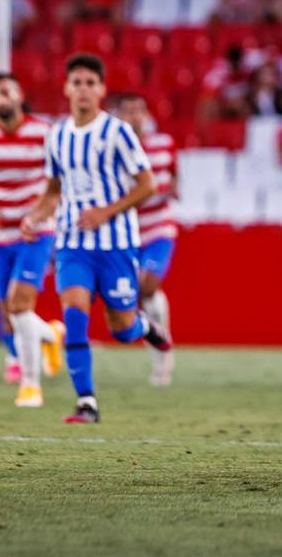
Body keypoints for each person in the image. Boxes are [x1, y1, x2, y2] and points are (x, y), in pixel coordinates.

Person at [19, 54, 171, 424]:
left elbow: (147, 185)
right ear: (66, 88)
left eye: (91, 82)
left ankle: (145, 327)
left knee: (121, 329)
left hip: (116, 245)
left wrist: (106, 212)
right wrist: (35, 216)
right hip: (73, 245)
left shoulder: (117, 132)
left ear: (101, 90)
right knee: (74, 316)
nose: (84, 89)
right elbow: (54, 190)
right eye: (77, 82)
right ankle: (87, 402)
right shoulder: (56, 135)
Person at [0, 74, 65, 407]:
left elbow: (57, 185)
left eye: (5, 91)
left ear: (20, 95)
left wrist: (38, 214)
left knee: (20, 305)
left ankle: (31, 386)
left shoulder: (44, 134)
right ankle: (51, 335)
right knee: (8, 314)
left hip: (35, 231)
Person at [111, 93, 178, 387]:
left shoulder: (163, 145)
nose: (134, 116)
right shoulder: (111, 151)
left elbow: (172, 176)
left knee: (148, 285)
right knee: (129, 296)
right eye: (128, 110)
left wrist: (170, 189)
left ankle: (163, 352)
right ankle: (158, 345)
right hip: (126, 232)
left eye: (139, 110)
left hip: (158, 229)